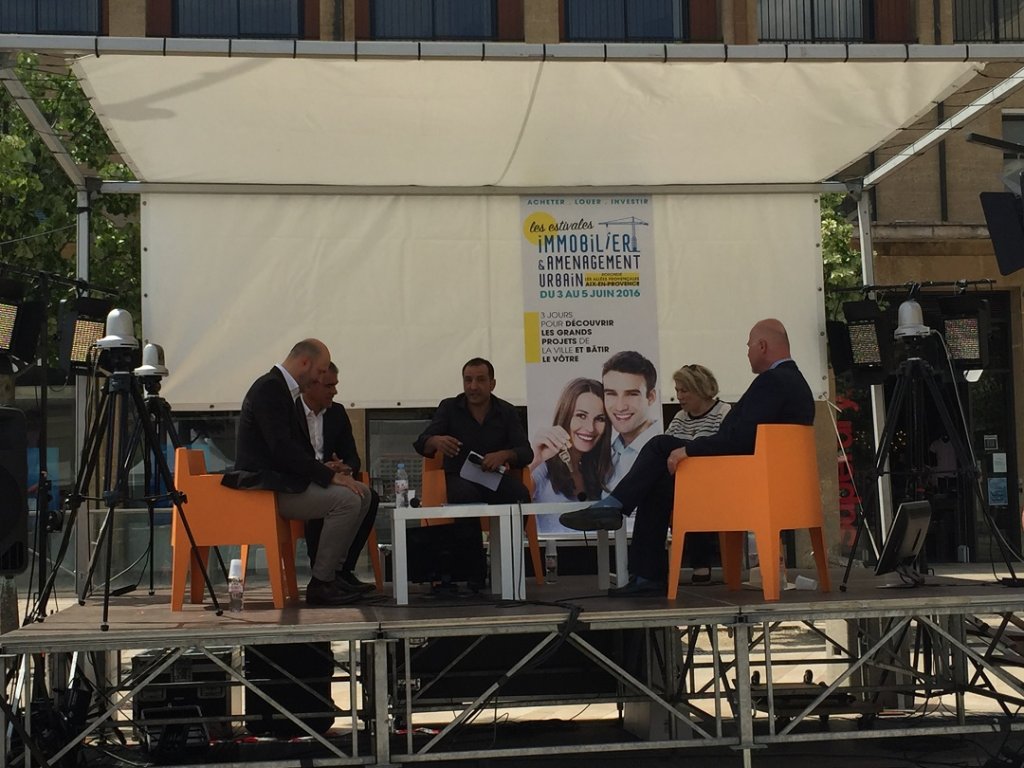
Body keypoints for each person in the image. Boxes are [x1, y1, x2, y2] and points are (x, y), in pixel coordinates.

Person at [559, 320, 814, 597]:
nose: (748, 351)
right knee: (655, 485)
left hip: (743, 481)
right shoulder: (794, 382)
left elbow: (739, 439)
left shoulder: (772, 382)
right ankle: (644, 573)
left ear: (763, 346)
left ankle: (616, 511)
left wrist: (690, 450)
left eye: (749, 345)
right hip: (760, 480)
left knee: (659, 446)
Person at [223, 339, 373, 607]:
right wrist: (327, 476)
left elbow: (290, 450)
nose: (320, 377)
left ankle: (334, 574)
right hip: (265, 489)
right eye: (320, 371)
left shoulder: (280, 390)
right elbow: (281, 449)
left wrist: (324, 470)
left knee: (361, 492)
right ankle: (321, 582)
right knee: (348, 499)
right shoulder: (270, 389)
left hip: (280, 482)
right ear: (305, 363)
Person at [413, 358, 533, 584]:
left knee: (520, 494)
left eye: (480, 380)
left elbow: (526, 452)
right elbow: (421, 443)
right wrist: (436, 441)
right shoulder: (449, 407)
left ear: (492, 383)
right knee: (465, 496)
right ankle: (474, 572)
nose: (473, 386)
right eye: (468, 380)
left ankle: (509, 565)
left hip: (493, 478)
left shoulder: (506, 411)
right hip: (459, 477)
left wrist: (505, 454)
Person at [299, 362, 379, 593]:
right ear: (310, 386)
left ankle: (341, 570)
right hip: (302, 482)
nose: (334, 391)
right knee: (339, 498)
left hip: (332, 480)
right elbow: (290, 456)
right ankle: (323, 574)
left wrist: (344, 468)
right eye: (329, 385)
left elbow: (353, 457)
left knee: (367, 495)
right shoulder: (291, 413)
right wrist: (322, 469)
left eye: (335, 385)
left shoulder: (337, 412)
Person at [664, 364, 732, 583]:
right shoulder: (680, 417)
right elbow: (667, 448)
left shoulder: (724, 412)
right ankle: (651, 566)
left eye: (684, 391)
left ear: (701, 389)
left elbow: (725, 448)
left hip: (717, 481)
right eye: (677, 390)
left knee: (690, 493)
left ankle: (701, 562)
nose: (679, 396)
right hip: (682, 480)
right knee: (661, 492)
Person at [529, 378, 612, 504]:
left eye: (600, 419)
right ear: (565, 415)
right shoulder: (543, 468)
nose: (590, 428)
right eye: (581, 416)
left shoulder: (601, 471)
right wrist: (534, 460)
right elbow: (507, 502)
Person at [602, 351, 661, 489]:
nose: (620, 406)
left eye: (631, 394)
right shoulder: (609, 452)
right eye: (611, 394)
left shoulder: (661, 452)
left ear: (651, 397)